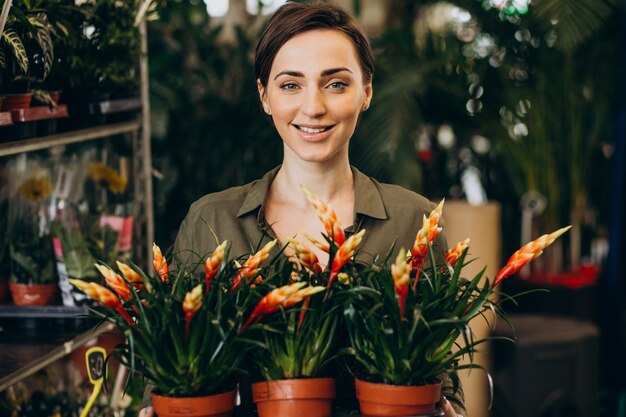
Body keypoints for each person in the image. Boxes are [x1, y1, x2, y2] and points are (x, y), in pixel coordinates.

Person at [140, 2, 465, 416]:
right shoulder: (212, 220)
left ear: (366, 91)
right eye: (291, 85)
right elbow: (167, 382)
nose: (313, 107)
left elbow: (442, 384)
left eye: (335, 84)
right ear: (264, 96)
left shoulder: (413, 222)